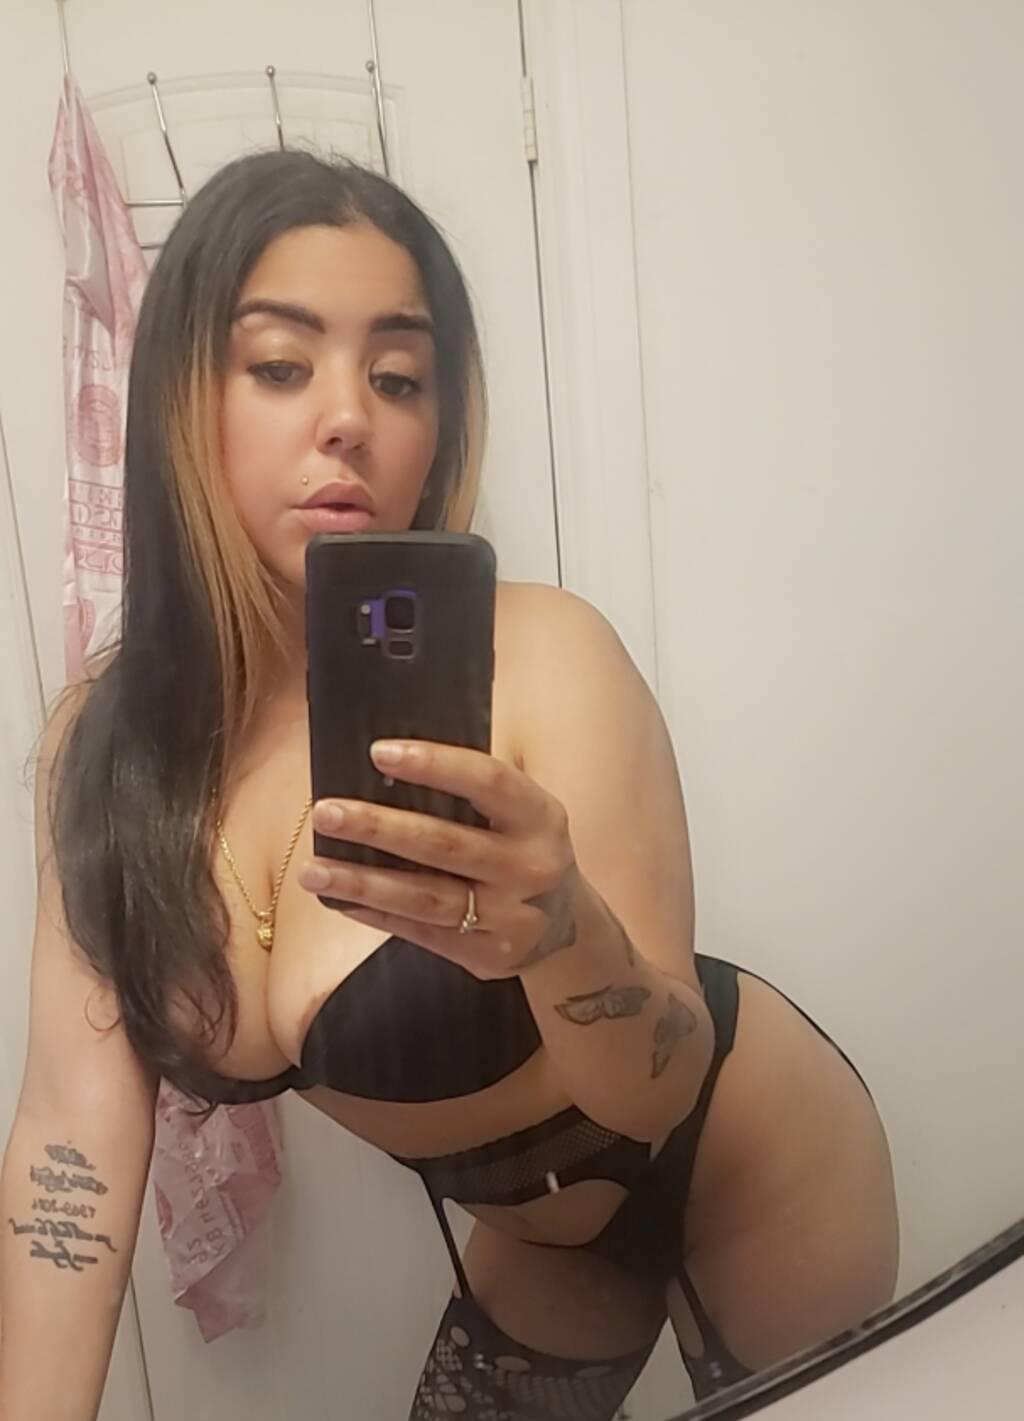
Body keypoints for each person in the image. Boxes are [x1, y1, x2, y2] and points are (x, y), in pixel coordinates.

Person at [0, 151, 898, 1421]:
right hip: (540, 1235)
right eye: (280, 364)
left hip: (750, 1162)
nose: (348, 417)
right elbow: (69, 1141)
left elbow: (657, 1084)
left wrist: (563, 931)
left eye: (398, 376)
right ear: (178, 401)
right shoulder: (107, 753)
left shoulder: (545, 657)